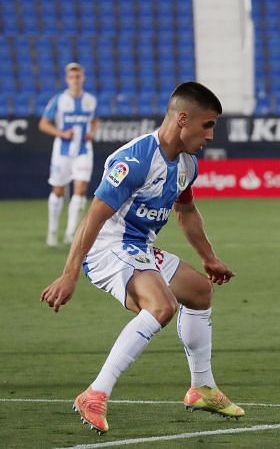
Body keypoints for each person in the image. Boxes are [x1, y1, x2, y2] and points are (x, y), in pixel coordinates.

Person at [40, 82, 244, 435]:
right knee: (161, 306)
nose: (211, 134)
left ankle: (202, 388)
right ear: (183, 118)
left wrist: (209, 258)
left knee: (198, 291)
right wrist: (69, 273)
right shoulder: (134, 159)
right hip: (108, 247)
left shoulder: (186, 164)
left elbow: (187, 211)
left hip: (139, 246)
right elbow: (94, 217)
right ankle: (95, 393)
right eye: (208, 124)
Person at [39, 62, 99, 246]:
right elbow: (43, 124)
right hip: (63, 152)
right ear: (67, 79)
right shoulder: (59, 100)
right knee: (58, 191)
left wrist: (93, 132)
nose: (75, 80)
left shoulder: (90, 100)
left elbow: (95, 120)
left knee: (80, 189)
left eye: (78, 76)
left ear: (83, 78)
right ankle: (53, 230)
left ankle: (71, 232)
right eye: (72, 77)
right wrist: (62, 134)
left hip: (83, 150)